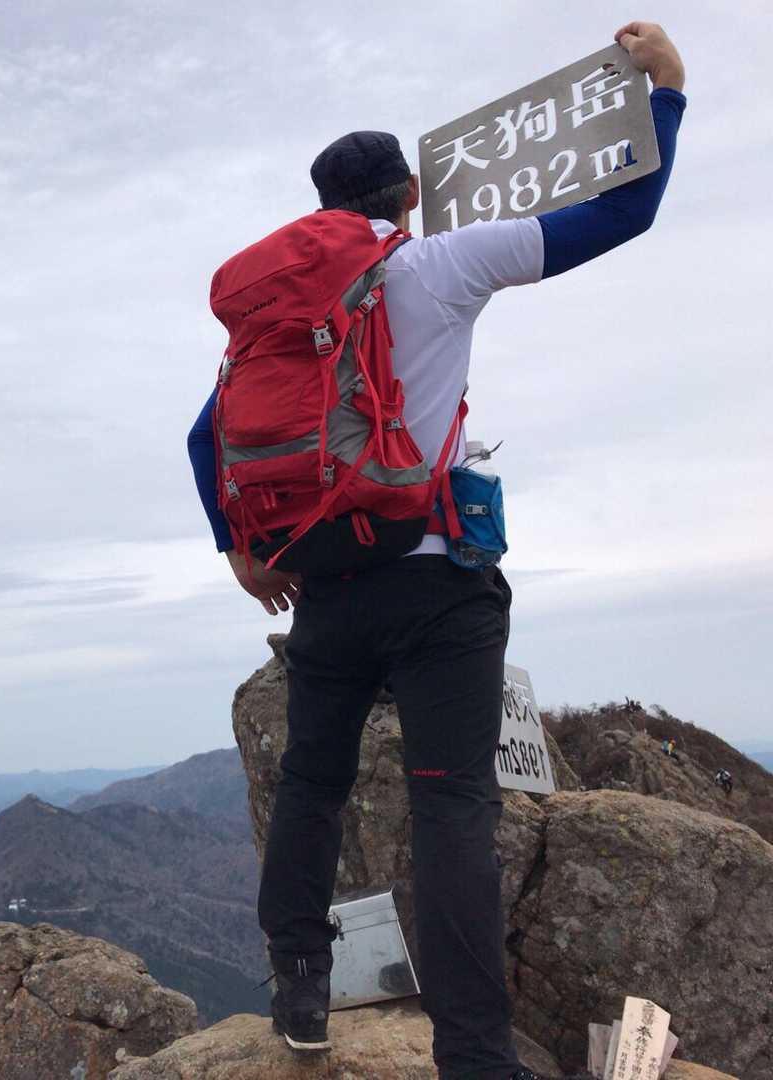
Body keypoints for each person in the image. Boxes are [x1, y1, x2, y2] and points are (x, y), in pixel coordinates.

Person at [186, 21, 686, 1080]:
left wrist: (241, 549)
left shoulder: (289, 319)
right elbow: (625, 211)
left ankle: (301, 992)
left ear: (324, 209)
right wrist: (668, 92)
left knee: (312, 784)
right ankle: (474, 1058)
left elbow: (204, 435)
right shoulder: (441, 262)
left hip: (327, 583)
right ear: (409, 194)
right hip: (433, 580)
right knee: (450, 802)